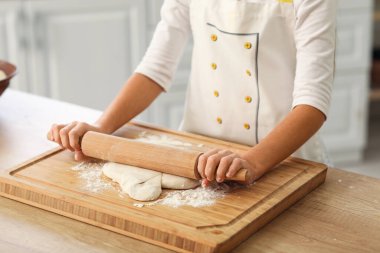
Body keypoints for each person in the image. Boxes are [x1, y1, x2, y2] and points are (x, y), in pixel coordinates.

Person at [48, 0, 336, 185]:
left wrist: (253, 161)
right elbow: (156, 68)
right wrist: (102, 127)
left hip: (284, 160)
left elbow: (312, 101)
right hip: (198, 155)